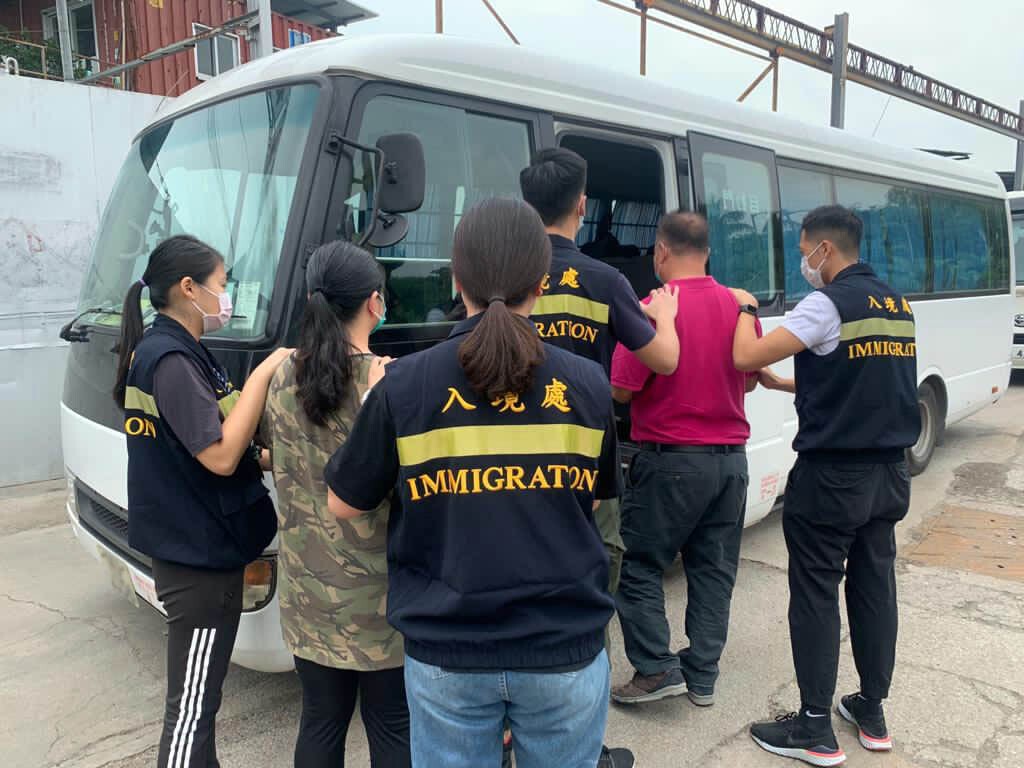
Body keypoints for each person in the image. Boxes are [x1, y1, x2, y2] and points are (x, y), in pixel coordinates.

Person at [324, 198, 623, 768]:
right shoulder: (587, 384)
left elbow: (343, 502)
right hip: (563, 648)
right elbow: (591, 500)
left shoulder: (403, 386)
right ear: (542, 283)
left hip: (447, 654)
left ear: (456, 279)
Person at [733, 206, 920, 766]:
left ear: (826, 250)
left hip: (833, 478)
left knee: (816, 592)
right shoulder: (897, 304)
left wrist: (745, 308)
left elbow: (744, 354)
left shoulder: (825, 303)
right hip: (889, 474)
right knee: (873, 587)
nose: (804, 261)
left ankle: (814, 727)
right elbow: (861, 381)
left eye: (804, 251)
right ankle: (872, 711)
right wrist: (786, 384)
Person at [520, 147, 680, 768]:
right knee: (591, 594)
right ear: (582, 204)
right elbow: (664, 359)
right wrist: (664, 315)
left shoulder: (504, 275)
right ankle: (582, 742)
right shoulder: (606, 280)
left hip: (506, 459)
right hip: (587, 465)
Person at [113, 235, 290, 768]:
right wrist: (264, 373)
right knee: (191, 711)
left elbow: (208, 441)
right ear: (189, 288)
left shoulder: (183, 352)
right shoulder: (170, 359)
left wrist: (276, 458)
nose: (227, 295)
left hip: (202, 545)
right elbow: (218, 455)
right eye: (222, 283)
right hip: (197, 558)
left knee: (201, 705)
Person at [261, 241, 409, 768]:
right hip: (380, 599)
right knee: (392, 725)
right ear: (374, 302)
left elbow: (273, 453)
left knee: (320, 721)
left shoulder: (282, 375)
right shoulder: (387, 382)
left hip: (307, 594)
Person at [609, 212, 762, 708]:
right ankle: (702, 676)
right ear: (708, 253)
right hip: (731, 463)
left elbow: (622, 390)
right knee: (714, 570)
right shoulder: (739, 306)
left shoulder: (652, 308)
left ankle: (655, 668)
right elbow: (750, 378)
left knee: (638, 564)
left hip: (670, 461)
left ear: (660, 251)